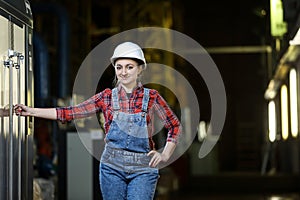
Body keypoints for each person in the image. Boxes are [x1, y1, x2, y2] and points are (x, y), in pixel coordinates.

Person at [14, 41, 181, 200]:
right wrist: (31, 111)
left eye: (129, 67)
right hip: (112, 167)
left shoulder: (151, 97)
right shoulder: (106, 97)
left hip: (143, 168)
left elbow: (174, 125)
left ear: (140, 69)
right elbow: (70, 112)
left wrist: (165, 154)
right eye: (119, 67)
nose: (123, 72)